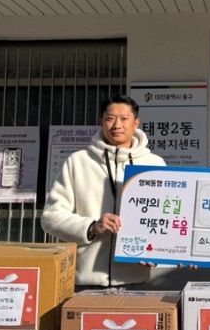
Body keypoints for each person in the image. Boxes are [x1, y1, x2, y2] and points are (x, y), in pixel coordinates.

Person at [41, 94, 166, 288]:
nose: (117, 125)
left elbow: (165, 218)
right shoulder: (79, 161)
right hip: (85, 281)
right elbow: (50, 217)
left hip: (135, 280)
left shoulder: (154, 164)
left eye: (124, 119)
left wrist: (157, 252)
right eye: (110, 118)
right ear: (101, 121)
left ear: (136, 123)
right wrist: (91, 226)